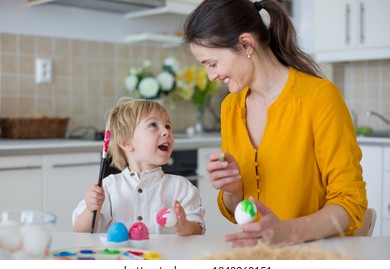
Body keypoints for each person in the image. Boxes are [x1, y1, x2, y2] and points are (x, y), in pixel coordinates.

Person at [183, 0, 367, 246]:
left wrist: (288, 232)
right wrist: (232, 189)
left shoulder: (319, 98)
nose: (211, 75)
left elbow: (350, 201)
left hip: (315, 255)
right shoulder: (231, 107)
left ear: (246, 44)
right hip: (259, 256)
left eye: (213, 63)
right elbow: (238, 210)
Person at [72, 97, 205, 236]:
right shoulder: (108, 188)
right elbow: (80, 231)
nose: (166, 132)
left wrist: (184, 226)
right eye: (153, 125)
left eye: (167, 126)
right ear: (126, 143)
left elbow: (198, 230)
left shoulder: (181, 187)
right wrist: (90, 209)